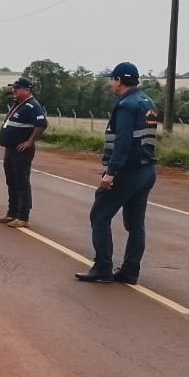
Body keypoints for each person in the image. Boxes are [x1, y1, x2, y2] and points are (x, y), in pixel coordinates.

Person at [75, 62, 158, 283]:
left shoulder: (126, 105)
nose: (112, 83)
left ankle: (103, 266)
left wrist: (110, 174)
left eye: (112, 79)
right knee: (135, 224)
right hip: (147, 170)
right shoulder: (147, 102)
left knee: (99, 215)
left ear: (119, 80)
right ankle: (130, 270)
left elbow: (122, 143)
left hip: (128, 172)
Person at [0, 76, 48, 228]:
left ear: (27, 90)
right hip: (10, 149)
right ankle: (11, 212)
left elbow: (42, 124)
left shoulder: (33, 106)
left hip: (21, 150)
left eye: (17, 88)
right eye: (14, 88)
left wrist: (30, 141)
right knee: (11, 181)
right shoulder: (18, 104)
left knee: (21, 182)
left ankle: (23, 216)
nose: (14, 91)